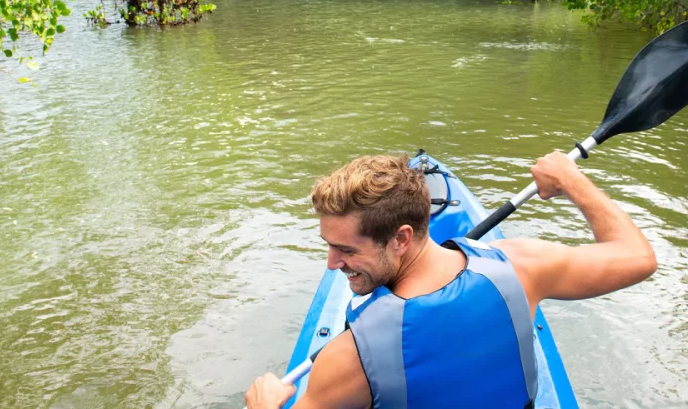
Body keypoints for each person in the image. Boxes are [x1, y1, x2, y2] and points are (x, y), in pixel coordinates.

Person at [245, 152, 657, 409]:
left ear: (402, 238)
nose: (333, 264)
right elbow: (638, 257)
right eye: (329, 246)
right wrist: (571, 180)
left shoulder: (349, 359)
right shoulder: (521, 265)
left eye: (348, 251)